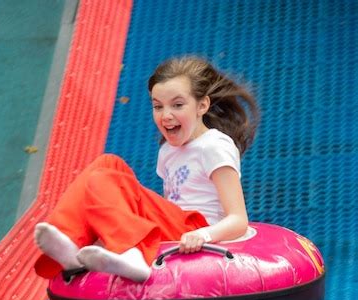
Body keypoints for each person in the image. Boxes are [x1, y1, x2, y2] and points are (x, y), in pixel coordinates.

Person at [34, 55, 259, 282]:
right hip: (176, 228)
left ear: (202, 105)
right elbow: (168, 208)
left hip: (198, 229)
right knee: (106, 164)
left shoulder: (214, 145)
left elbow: (238, 220)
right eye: (158, 106)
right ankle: (71, 242)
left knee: (107, 179)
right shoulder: (167, 152)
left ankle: (131, 251)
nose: (166, 115)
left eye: (178, 105)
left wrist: (203, 235)